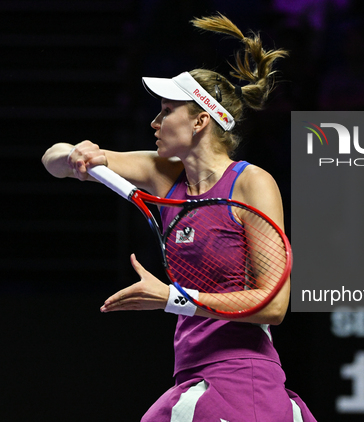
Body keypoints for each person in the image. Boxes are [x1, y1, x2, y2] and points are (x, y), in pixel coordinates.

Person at [42, 13, 316, 422]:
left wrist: (173, 298)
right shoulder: (163, 176)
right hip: (193, 377)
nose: (154, 122)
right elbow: (52, 161)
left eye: (167, 111)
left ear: (201, 120)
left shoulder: (251, 183)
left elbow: (274, 304)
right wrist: (75, 153)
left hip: (243, 381)